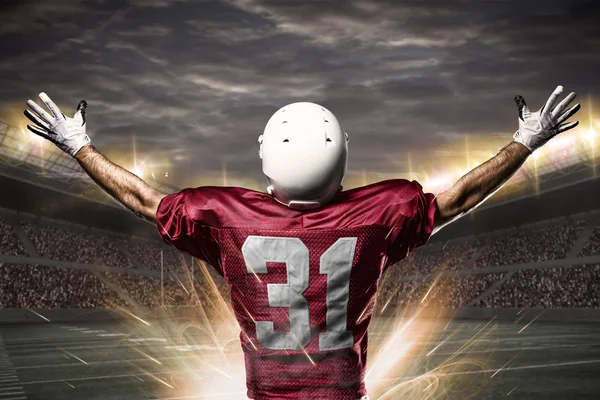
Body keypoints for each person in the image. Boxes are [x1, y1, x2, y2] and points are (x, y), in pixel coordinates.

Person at [23, 86, 579, 400]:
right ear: (342, 156)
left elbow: (145, 201)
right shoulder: (381, 211)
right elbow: (458, 197)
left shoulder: (225, 215)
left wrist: (79, 146)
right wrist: (526, 141)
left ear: (268, 153)